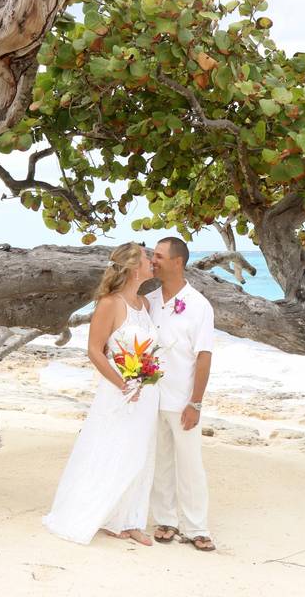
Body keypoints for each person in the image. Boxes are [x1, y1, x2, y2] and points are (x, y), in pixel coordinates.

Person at [42, 242, 158, 546]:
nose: (152, 262)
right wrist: (123, 384)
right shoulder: (110, 303)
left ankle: (129, 520)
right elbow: (95, 350)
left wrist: (145, 377)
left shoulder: (145, 304)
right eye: (147, 258)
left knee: (139, 454)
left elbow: (147, 349)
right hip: (118, 391)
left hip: (146, 391)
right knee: (110, 448)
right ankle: (98, 514)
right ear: (134, 267)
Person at [146, 237, 216, 552]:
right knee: (160, 462)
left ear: (178, 261)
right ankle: (165, 520)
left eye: (159, 256)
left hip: (182, 401)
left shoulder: (199, 305)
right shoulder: (150, 300)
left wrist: (195, 402)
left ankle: (197, 528)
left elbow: (203, 356)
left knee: (190, 465)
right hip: (151, 397)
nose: (153, 260)